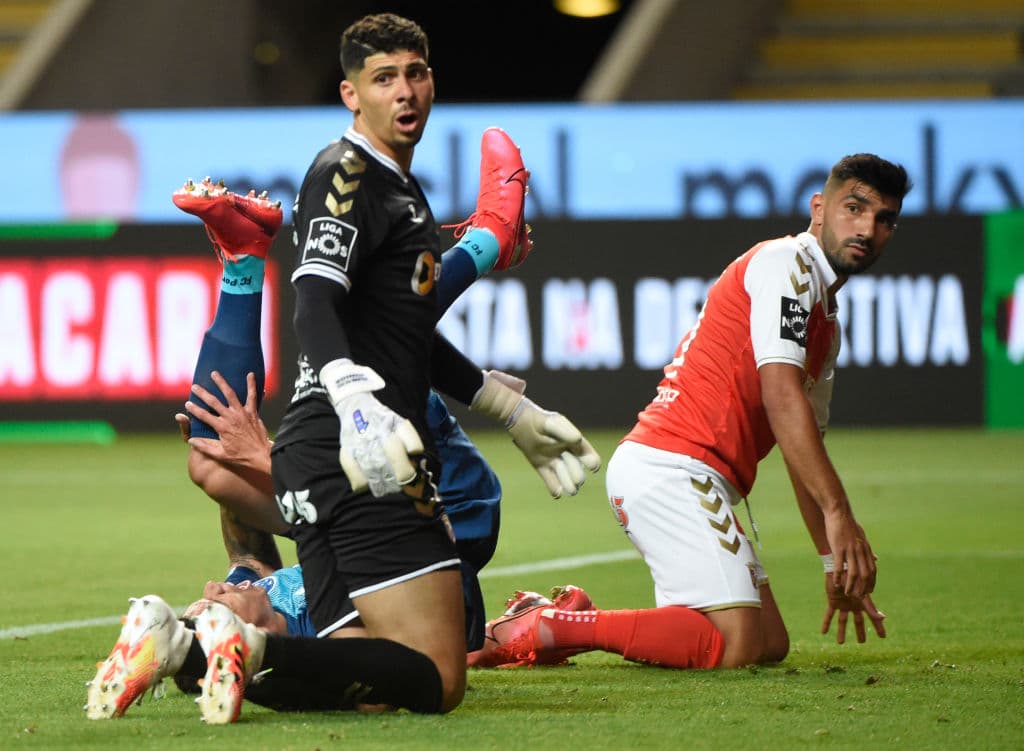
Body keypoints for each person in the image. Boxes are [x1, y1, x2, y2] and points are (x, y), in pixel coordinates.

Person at [86, 12, 599, 723]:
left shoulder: (399, 191)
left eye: (415, 73)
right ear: (351, 94)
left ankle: (185, 646)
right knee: (438, 676)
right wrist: (357, 401)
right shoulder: (347, 172)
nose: (405, 91)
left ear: (432, 81)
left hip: (319, 455)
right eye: (383, 78)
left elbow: (408, 331)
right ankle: (242, 640)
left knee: (368, 670)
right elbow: (315, 298)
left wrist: (510, 408)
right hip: (360, 448)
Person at [469, 153, 908, 671]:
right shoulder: (787, 264)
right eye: (853, 208)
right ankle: (544, 627)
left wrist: (833, 561)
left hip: (699, 477)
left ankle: (564, 618)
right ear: (818, 208)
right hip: (672, 468)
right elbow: (781, 395)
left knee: (768, 642)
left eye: (883, 219)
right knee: (735, 646)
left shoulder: (824, 321)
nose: (866, 228)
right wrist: (840, 514)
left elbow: (799, 441)